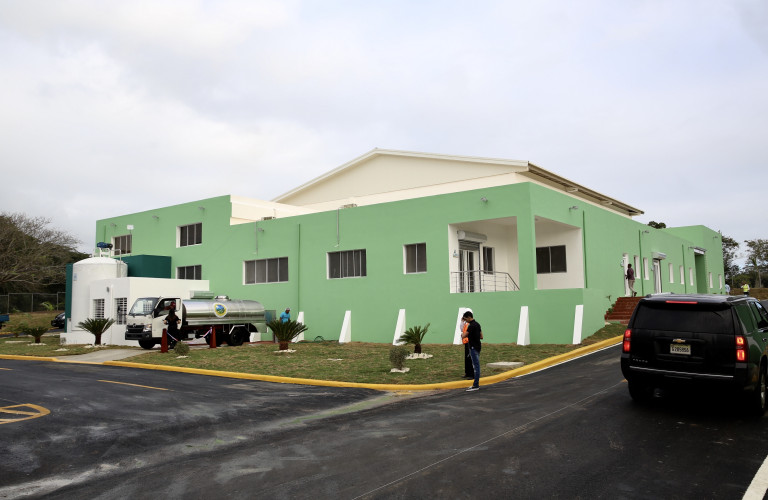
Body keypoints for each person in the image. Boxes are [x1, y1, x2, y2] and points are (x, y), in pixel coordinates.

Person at [461, 310, 483, 391]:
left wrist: (462, 335)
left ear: (469, 317)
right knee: (476, 366)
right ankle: (476, 384)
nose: (466, 321)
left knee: (476, 366)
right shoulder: (478, 324)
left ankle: (476, 385)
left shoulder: (471, 326)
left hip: (473, 347)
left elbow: (464, 336)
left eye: (466, 319)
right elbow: (481, 336)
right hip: (478, 347)